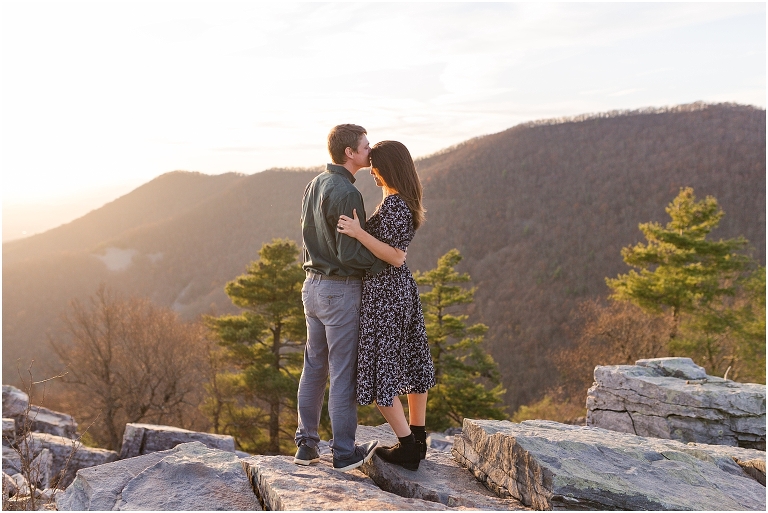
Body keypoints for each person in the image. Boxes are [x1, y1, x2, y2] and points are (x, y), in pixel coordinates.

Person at [294, 124, 406, 472]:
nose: (370, 152)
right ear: (350, 153)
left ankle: (306, 445)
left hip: (312, 286)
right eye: (365, 146)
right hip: (339, 290)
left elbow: (310, 236)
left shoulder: (315, 183)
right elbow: (348, 253)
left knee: (314, 368)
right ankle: (344, 452)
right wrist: (387, 261)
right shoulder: (347, 192)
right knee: (342, 373)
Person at [336, 140, 436, 471]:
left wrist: (357, 232)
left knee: (381, 371)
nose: (373, 174)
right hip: (400, 290)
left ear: (389, 169)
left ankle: (408, 447)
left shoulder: (395, 205)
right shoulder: (404, 200)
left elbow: (395, 255)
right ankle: (418, 438)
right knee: (413, 360)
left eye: (377, 169)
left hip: (386, 294)